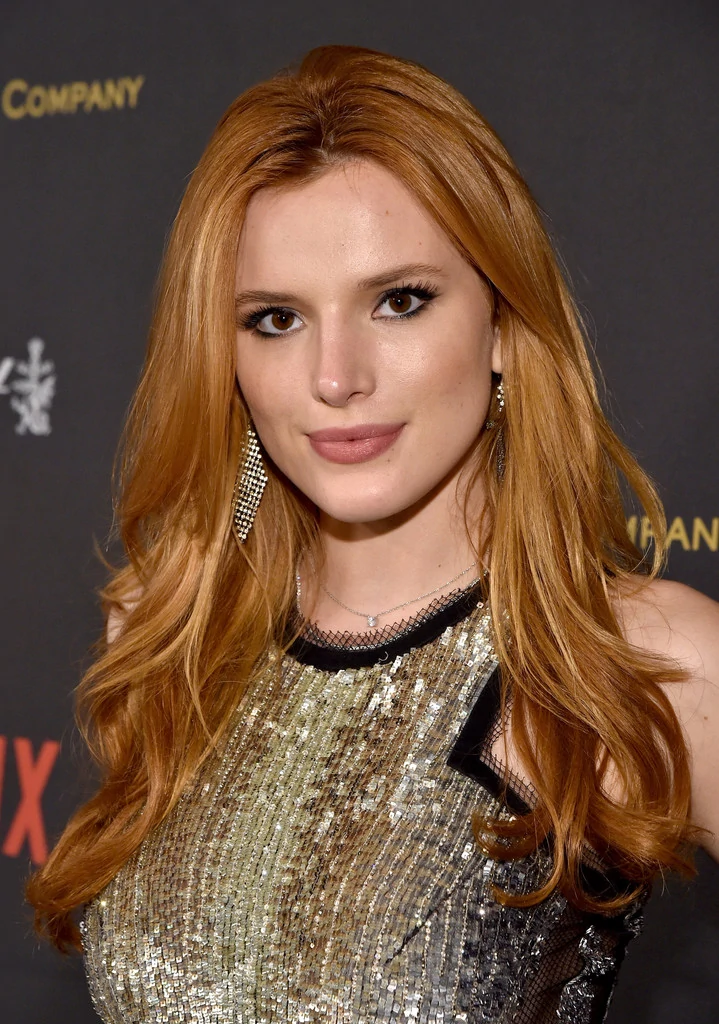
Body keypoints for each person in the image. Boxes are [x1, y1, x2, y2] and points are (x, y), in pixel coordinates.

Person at [27, 44, 718, 1023]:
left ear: (501, 327)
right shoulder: (171, 636)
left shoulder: (641, 659)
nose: (335, 377)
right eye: (276, 319)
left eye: (398, 301)